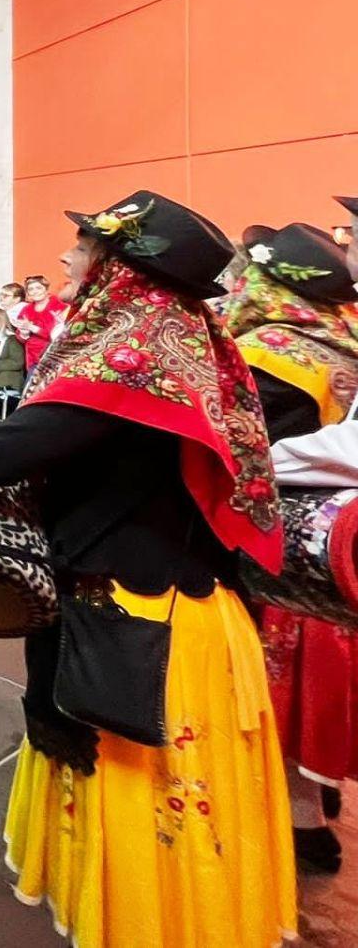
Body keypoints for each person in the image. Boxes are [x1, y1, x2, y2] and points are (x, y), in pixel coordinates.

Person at [0, 191, 295, 948]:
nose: (66, 261)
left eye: (81, 247)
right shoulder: (179, 338)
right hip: (185, 612)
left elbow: (1, 452)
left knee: (151, 832)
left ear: (118, 267)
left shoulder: (132, 356)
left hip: (141, 629)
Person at [220, 218, 358, 874]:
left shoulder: (267, 352)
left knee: (273, 684)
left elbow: (238, 450)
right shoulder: (342, 341)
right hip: (334, 549)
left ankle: (301, 821)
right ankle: (319, 797)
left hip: (275, 544)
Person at [9, 275, 66, 369]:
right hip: (32, 360)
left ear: (46, 289)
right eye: (31, 289)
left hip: (54, 358)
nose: (35, 291)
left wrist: (33, 328)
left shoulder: (60, 308)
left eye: (38, 288)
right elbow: (20, 337)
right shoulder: (26, 309)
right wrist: (24, 334)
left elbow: (59, 336)